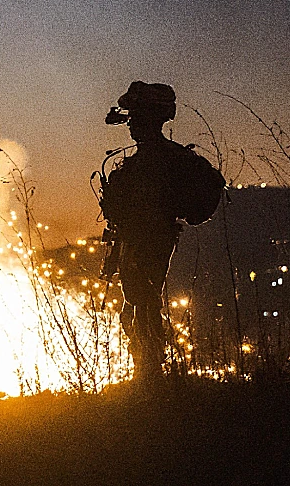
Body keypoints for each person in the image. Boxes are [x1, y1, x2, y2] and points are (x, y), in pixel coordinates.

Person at [100, 81, 224, 383]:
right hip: (136, 242)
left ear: (153, 120)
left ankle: (150, 375)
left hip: (150, 241)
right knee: (135, 309)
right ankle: (146, 372)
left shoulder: (161, 161)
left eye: (137, 119)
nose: (132, 126)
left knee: (143, 305)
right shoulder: (146, 161)